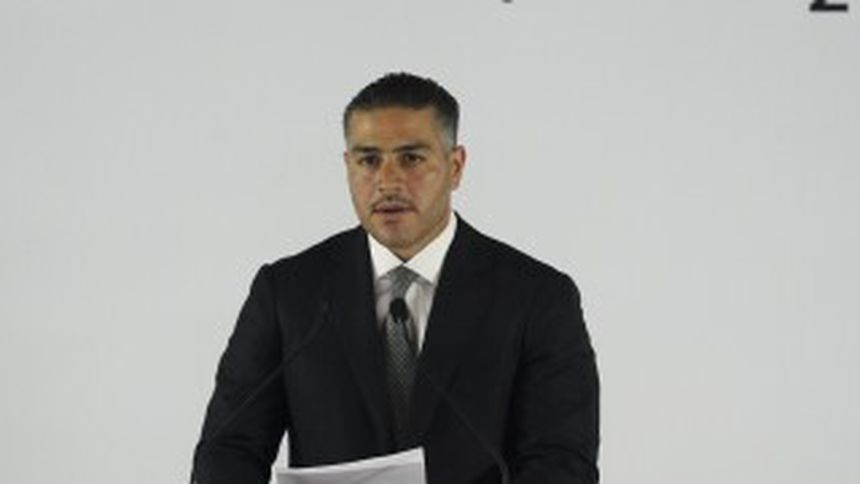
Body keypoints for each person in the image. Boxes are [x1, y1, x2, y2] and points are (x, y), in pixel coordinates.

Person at [192, 72, 599, 484]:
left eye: (411, 159)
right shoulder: (288, 293)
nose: (387, 182)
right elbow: (228, 451)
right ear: (348, 167)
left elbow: (563, 462)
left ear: (455, 167)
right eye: (369, 161)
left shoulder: (536, 297)